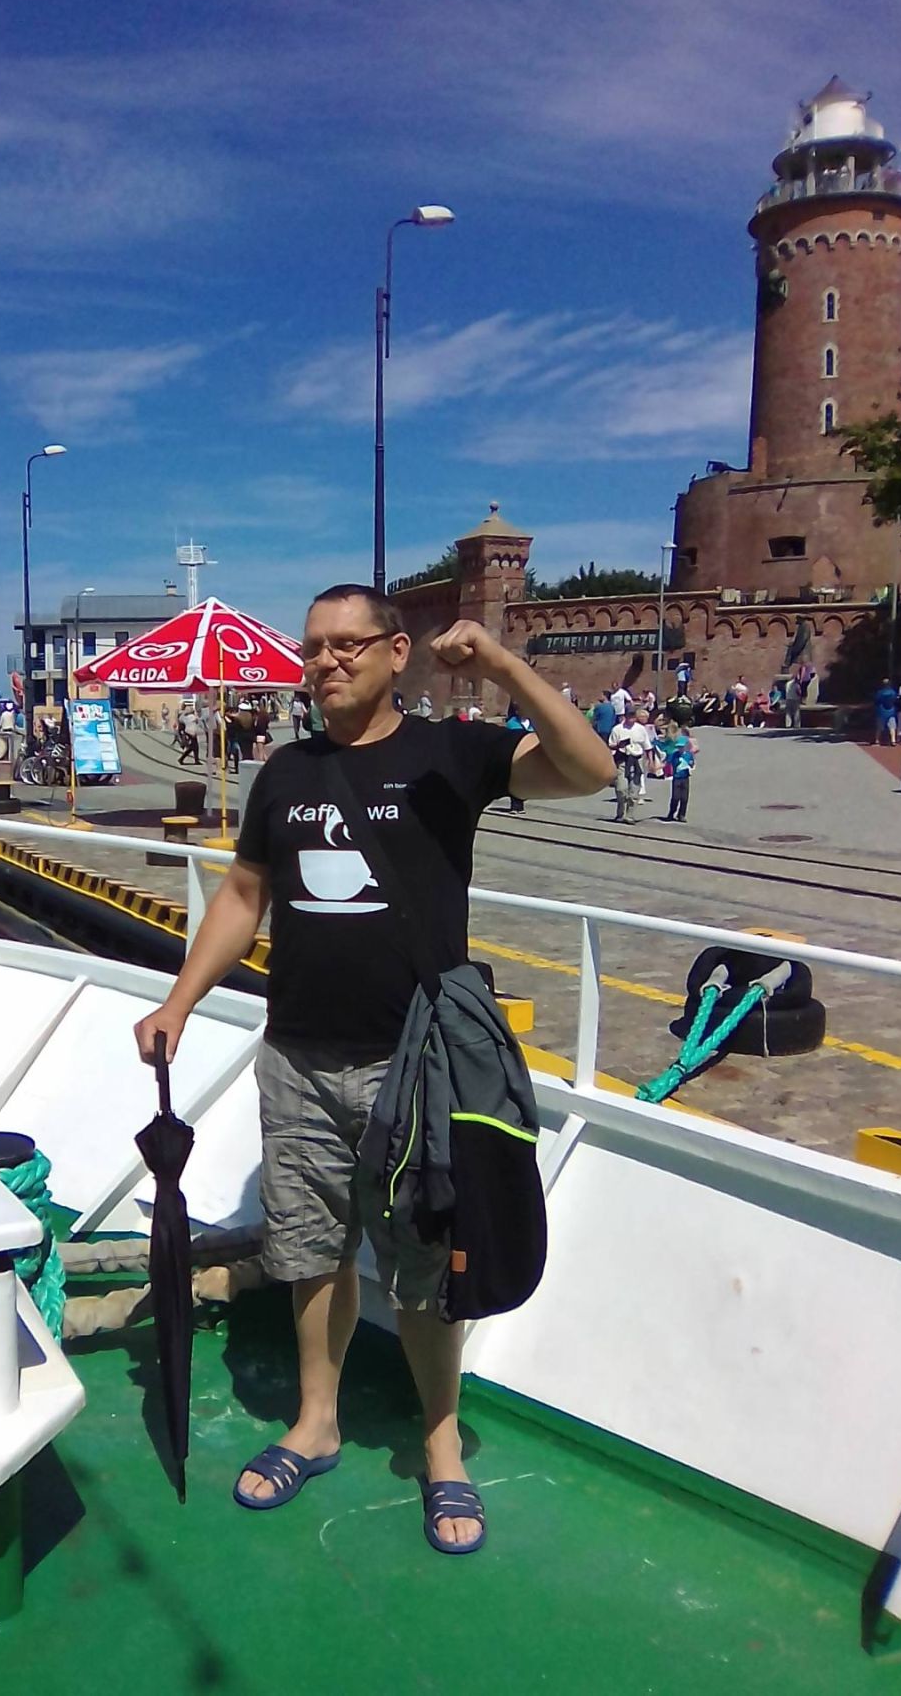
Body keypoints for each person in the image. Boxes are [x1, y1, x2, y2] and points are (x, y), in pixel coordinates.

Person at [132, 585, 613, 1553]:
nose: (327, 661)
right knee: (310, 1253)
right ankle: (317, 1420)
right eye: (314, 647)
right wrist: (178, 1000)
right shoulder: (285, 771)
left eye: (348, 644)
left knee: (425, 1264)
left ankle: (441, 1440)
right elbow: (243, 894)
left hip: (414, 1066)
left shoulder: (449, 755)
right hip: (297, 1056)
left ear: (398, 653)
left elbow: (588, 768)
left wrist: (504, 665)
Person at [609, 705, 650, 822]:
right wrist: (618, 745)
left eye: (633, 716)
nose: (631, 718)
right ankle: (620, 813)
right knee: (621, 789)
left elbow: (647, 746)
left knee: (634, 790)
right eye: (629, 716)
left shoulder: (640, 729)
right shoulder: (617, 729)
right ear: (625, 716)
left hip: (637, 759)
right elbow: (610, 745)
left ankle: (630, 815)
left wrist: (651, 762)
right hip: (622, 759)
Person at [659, 721, 696, 822]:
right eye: (679, 747)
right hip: (676, 778)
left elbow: (692, 764)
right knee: (675, 797)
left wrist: (691, 765)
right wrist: (658, 767)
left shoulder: (688, 755)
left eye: (682, 747)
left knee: (684, 798)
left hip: (685, 778)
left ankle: (681, 815)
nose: (680, 749)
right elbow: (667, 763)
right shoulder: (674, 754)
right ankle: (671, 813)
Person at [874, 677, 899, 746]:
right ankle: (893, 740)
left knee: (879, 727)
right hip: (891, 711)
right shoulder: (893, 692)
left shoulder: (880, 692)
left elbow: (876, 701)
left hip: (881, 711)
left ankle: (877, 740)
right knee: (892, 726)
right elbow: (896, 700)